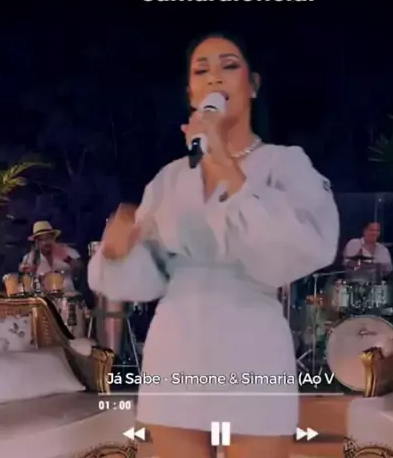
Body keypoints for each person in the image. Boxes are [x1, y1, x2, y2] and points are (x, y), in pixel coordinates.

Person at [88, 32, 339, 458]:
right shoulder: (170, 178)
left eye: (229, 66)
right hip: (176, 347)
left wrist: (227, 167)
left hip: (252, 344)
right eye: (201, 71)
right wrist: (119, 252)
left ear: (253, 84)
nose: (214, 79)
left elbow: (304, 248)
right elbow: (151, 279)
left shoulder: (285, 163)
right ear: (191, 93)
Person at [19, 221, 81, 292]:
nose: (45, 243)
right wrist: (24, 274)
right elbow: (27, 285)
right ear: (36, 243)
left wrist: (67, 259)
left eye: (48, 238)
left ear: (53, 238)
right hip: (43, 296)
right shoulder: (29, 258)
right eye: (41, 240)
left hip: (67, 294)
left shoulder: (67, 251)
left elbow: (79, 270)